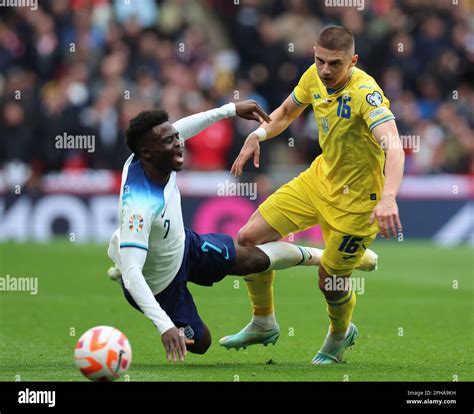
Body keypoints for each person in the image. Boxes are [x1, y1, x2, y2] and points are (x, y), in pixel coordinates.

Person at [106, 99, 377, 362]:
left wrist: (230, 110)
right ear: (147, 154)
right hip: (159, 286)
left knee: (252, 258)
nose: (179, 144)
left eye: (176, 138)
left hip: (185, 247)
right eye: (169, 142)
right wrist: (165, 325)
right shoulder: (138, 207)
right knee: (200, 343)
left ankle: (324, 258)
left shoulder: (157, 156)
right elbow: (133, 276)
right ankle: (124, 250)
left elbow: (182, 128)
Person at [219, 26, 405, 365]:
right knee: (247, 238)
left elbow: (393, 145)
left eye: (334, 64)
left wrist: (388, 197)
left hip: (358, 203)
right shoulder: (313, 77)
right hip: (318, 180)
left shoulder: (367, 93)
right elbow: (287, 113)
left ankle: (340, 333)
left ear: (353, 61)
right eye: (319, 61)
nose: (325, 71)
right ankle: (263, 321)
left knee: (330, 283)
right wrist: (258, 134)